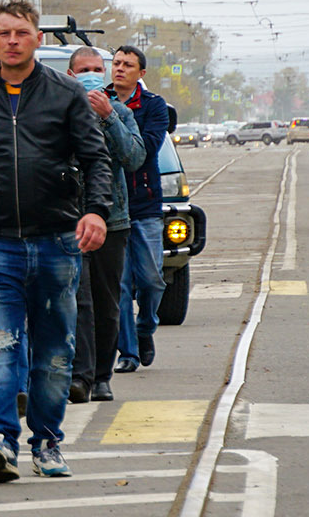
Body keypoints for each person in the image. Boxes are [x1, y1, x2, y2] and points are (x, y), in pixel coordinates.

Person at [0, 0, 113, 482]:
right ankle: (0, 440)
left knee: (53, 352)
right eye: (4, 34)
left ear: (38, 38)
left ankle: (47, 443)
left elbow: (96, 159)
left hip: (56, 242)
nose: (12, 41)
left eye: (21, 32)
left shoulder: (65, 94)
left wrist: (96, 212)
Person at [66, 46, 145, 405]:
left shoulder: (122, 113)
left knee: (107, 302)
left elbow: (133, 158)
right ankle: (79, 377)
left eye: (98, 68)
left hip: (112, 222)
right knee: (78, 301)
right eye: (85, 69)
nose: (93, 74)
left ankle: (101, 376)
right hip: (69, 220)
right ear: (71, 76)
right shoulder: (58, 111)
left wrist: (109, 117)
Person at [110, 45, 171, 374]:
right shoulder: (99, 101)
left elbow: (145, 149)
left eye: (128, 65)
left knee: (151, 280)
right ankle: (128, 353)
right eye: (116, 63)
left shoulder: (153, 106)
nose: (119, 68)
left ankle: (146, 327)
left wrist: (113, 124)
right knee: (119, 284)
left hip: (145, 204)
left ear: (140, 74)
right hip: (111, 208)